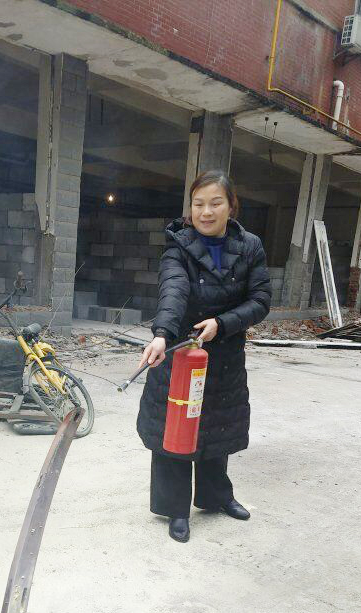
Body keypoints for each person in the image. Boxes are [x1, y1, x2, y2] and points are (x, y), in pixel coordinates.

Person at [136, 170, 272, 543]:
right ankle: (175, 509)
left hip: (225, 353)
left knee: (218, 427)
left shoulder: (250, 247)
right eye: (198, 204)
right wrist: (162, 335)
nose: (206, 212)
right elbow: (173, 292)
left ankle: (216, 497)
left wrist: (223, 323)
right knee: (175, 430)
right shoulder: (178, 245)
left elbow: (260, 301)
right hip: (182, 353)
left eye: (215, 203)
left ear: (231, 206)